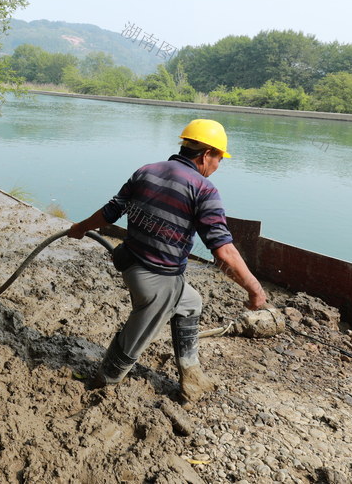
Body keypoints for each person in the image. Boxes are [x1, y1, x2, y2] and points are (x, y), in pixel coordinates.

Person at [66, 119, 267, 402]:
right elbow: (223, 251)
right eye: (220, 158)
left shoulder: (147, 171)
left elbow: (111, 211)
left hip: (130, 263)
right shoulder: (204, 190)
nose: (218, 166)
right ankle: (104, 381)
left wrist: (80, 227)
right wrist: (255, 289)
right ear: (206, 154)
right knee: (137, 335)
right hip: (158, 279)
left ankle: (191, 373)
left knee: (190, 303)